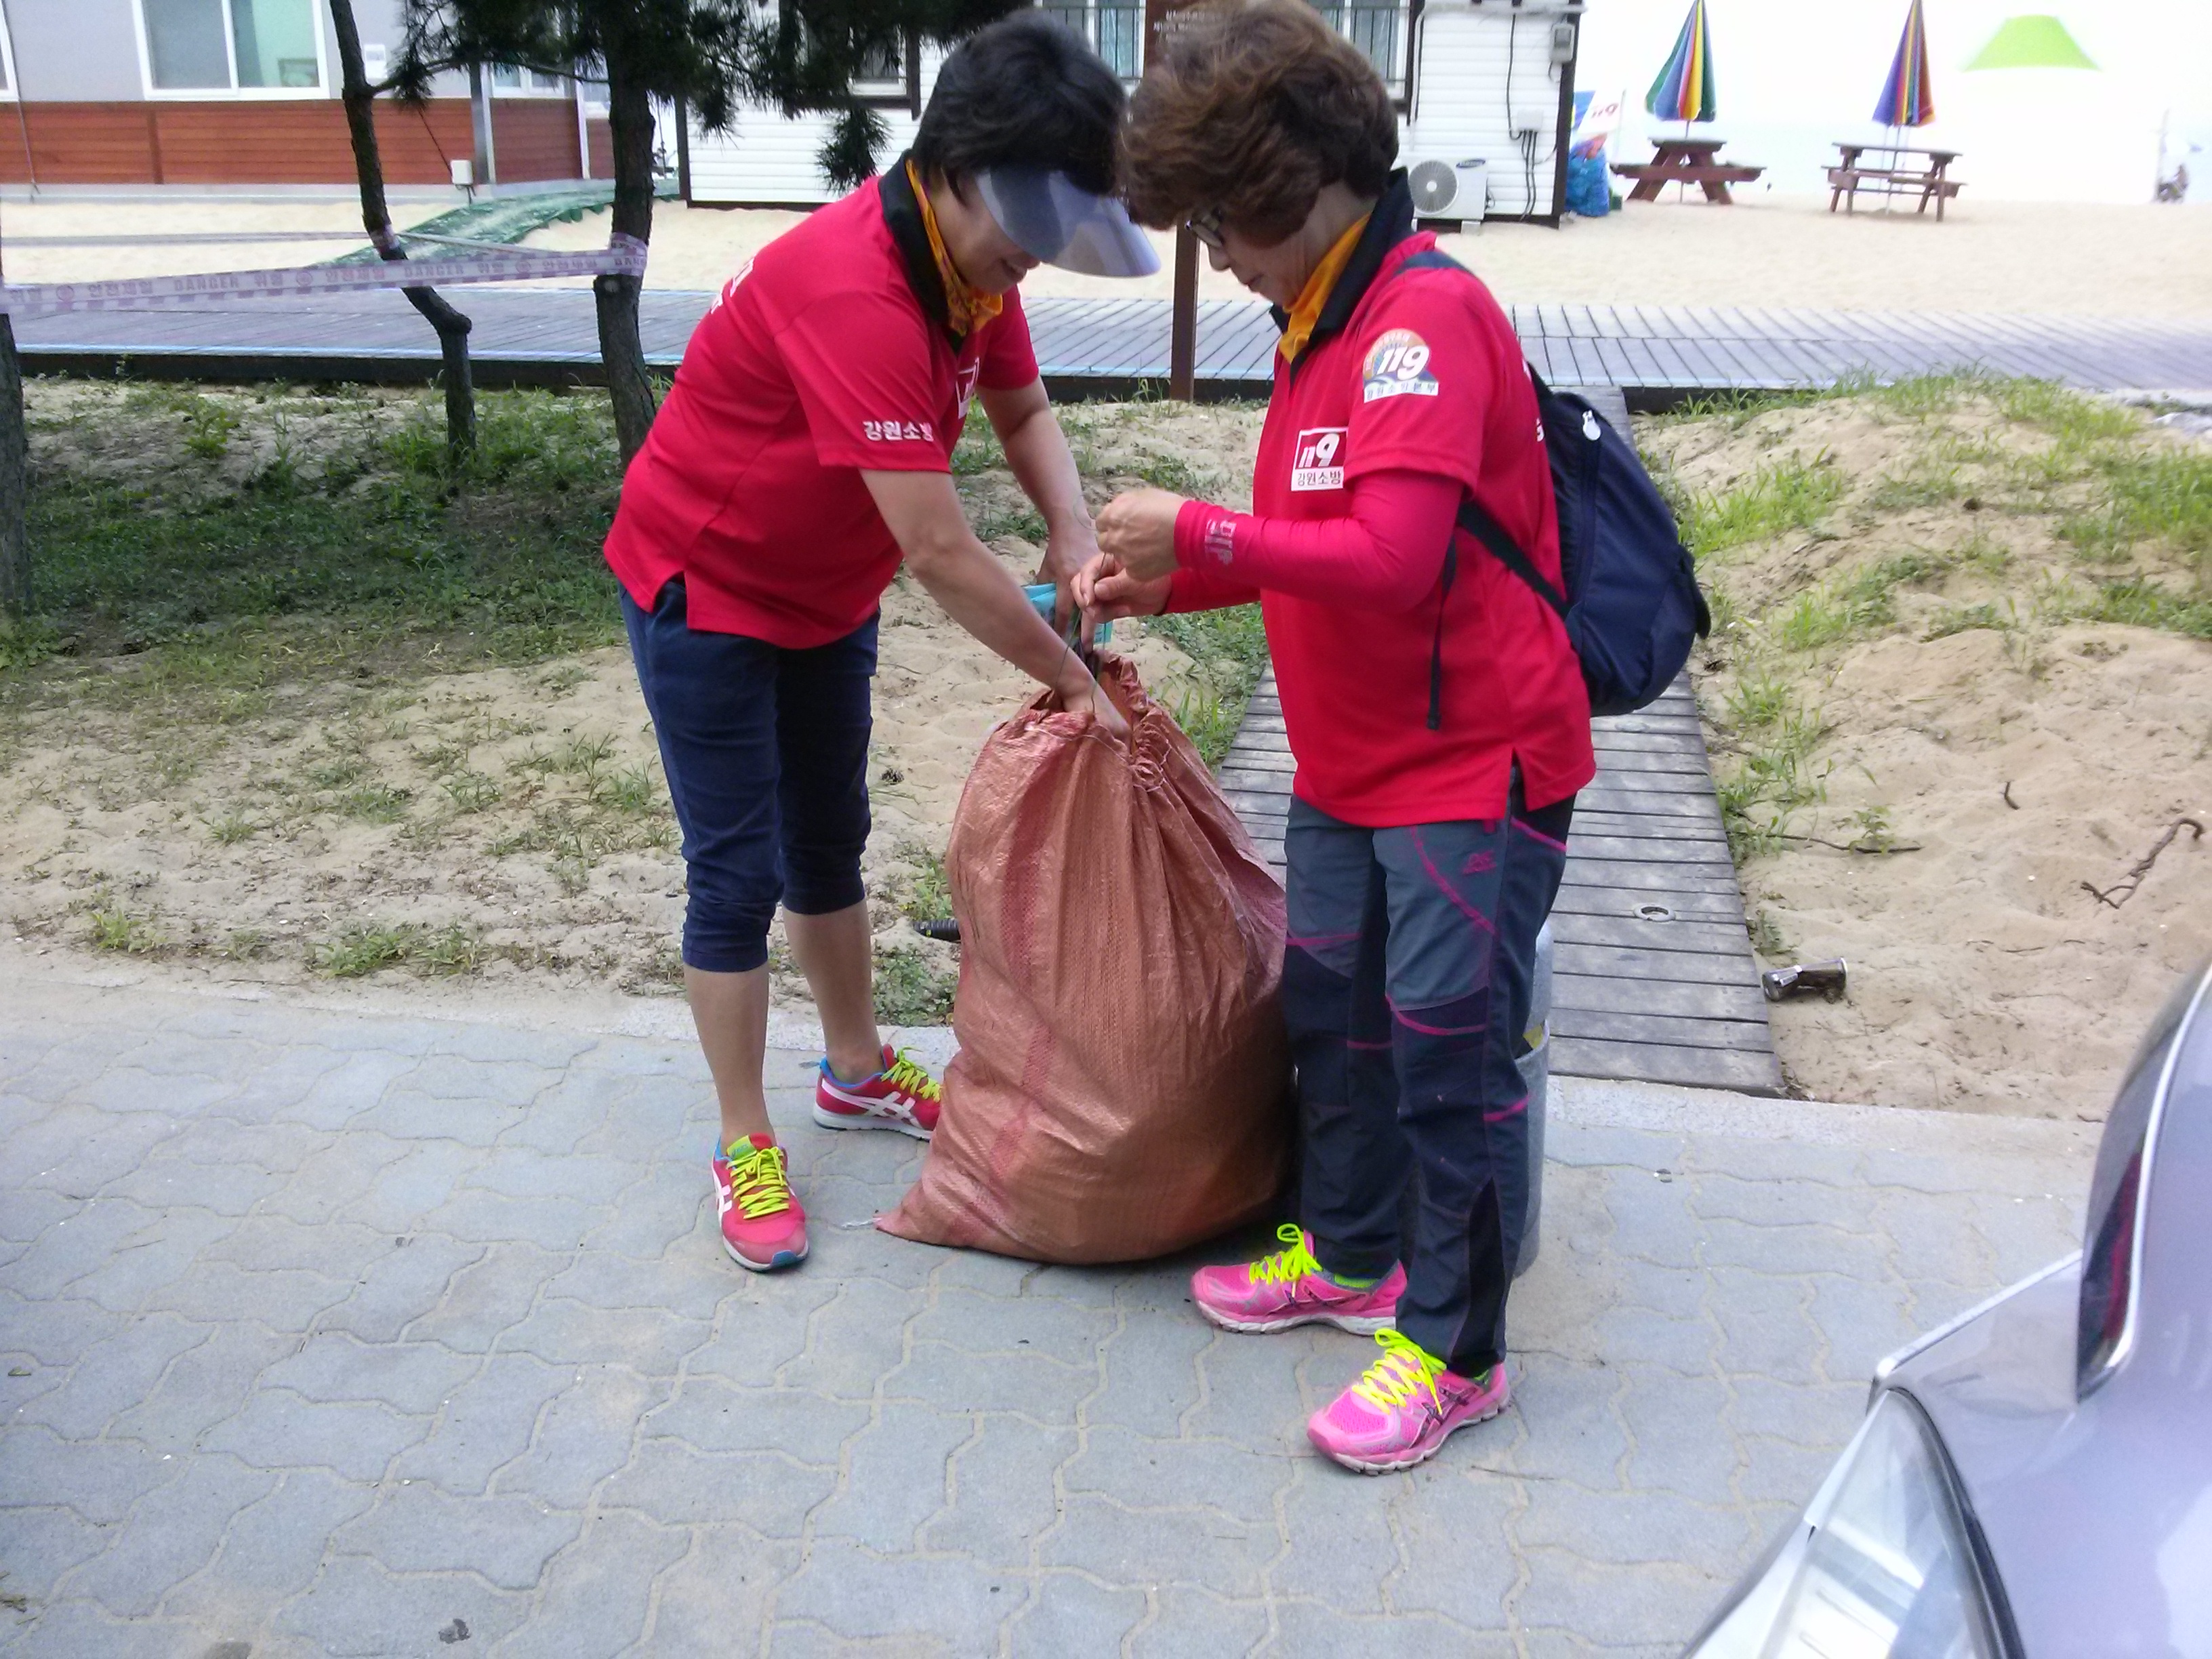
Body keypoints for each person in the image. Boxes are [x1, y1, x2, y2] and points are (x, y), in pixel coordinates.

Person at [1076, 0, 1593, 1473]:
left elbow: (1399, 560)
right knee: (1333, 1022)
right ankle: (1354, 1253)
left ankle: (1458, 1351)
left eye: (1222, 222)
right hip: (1349, 765)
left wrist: (1202, 529)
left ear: (1295, 181)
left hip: (1470, 769)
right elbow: (1316, 543)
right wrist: (1177, 578)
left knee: (1446, 1057)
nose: (1222, 257)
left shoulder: (1421, 321)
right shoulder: (1318, 324)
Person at [604, 14, 1156, 1274]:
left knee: (829, 837)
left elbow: (1022, 405)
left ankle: (852, 1069)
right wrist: (1070, 679)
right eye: (1025, 230)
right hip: (708, 588)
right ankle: (744, 1138)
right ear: (952, 168)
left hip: (823, 592)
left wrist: (1075, 532)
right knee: (736, 869)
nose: (1032, 263)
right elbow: (941, 550)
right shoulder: (856, 287)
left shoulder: (971, 272)